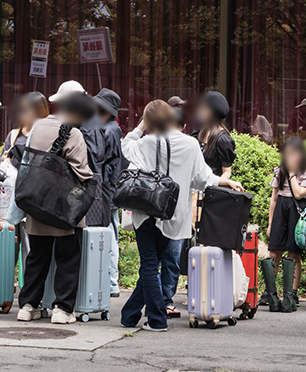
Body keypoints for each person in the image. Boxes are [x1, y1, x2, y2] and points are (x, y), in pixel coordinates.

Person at [119, 99, 244, 332]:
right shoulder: (190, 144)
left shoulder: (147, 142)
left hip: (146, 211)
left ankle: (157, 320)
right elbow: (202, 178)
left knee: (149, 265)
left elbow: (126, 146)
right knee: (152, 264)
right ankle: (130, 314)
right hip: (173, 213)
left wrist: (141, 126)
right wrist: (224, 181)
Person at [16, 90, 97, 324]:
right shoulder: (74, 133)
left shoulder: (38, 126)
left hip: (36, 204)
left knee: (36, 258)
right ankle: (62, 310)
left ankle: (28, 306)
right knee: (68, 259)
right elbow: (82, 172)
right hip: (63, 209)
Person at [266, 136, 306, 312]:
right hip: (281, 209)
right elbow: (274, 199)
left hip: (297, 211)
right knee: (274, 252)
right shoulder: (280, 171)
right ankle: (270, 292)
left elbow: (299, 193)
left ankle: (291, 294)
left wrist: (292, 173)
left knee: (294, 255)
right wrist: (270, 223)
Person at [87, 88, 125, 297]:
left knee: (109, 234)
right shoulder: (111, 128)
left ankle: (111, 282)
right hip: (108, 188)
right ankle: (110, 281)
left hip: (106, 190)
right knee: (110, 233)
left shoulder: (108, 130)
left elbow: (108, 164)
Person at [196, 90, 235, 178]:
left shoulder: (223, 140)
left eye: (203, 107)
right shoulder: (199, 132)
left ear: (211, 111)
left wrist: (216, 183)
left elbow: (227, 172)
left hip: (212, 184)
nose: (200, 110)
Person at [4, 91, 49, 165]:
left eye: (25, 110)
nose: (20, 114)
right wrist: (4, 159)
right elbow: (2, 161)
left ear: (38, 112)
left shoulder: (46, 137)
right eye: (20, 110)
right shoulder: (14, 135)